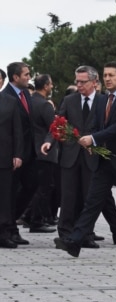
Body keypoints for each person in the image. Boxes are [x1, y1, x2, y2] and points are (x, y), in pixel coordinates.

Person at [53, 61, 116, 258]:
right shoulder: (103, 100)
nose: (108, 79)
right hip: (105, 159)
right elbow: (97, 125)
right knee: (93, 200)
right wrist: (92, 144)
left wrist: (93, 139)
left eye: (112, 75)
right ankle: (75, 241)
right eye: (105, 75)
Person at [42, 65, 116, 248]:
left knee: (89, 198)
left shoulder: (104, 101)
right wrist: (49, 141)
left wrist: (98, 144)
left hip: (93, 157)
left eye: (83, 82)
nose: (79, 85)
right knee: (68, 198)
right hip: (70, 156)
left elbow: (109, 128)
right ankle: (65, 235)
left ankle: (85, 235)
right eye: (77, 81)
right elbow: (58, 123)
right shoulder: (69, 100)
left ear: (94, 82)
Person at [3, 62, 37, 245]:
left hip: (29, 152)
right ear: (15, 77)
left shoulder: (26, 94)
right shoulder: (5, 97)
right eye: (26, 74)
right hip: (12, 154)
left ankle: (12, 221)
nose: (28, 77)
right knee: (9, 192)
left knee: (32, 185)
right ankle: (9, 230)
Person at [28, 74, 58, 233]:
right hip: (45, 152)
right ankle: (37, 221)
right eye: (51, 84)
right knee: (44, 187)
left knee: (32, 187)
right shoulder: (45, 105)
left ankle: (29, 217)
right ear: (46, 86)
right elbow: (53, 129)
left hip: (30, 151)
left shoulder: (28, 102)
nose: (52, 87)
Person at [0, 91, 23, 248]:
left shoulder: (10, 101)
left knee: (5, 197)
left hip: (5, 156)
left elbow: (17, 130)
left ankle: (3, 233)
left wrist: (17, 154)